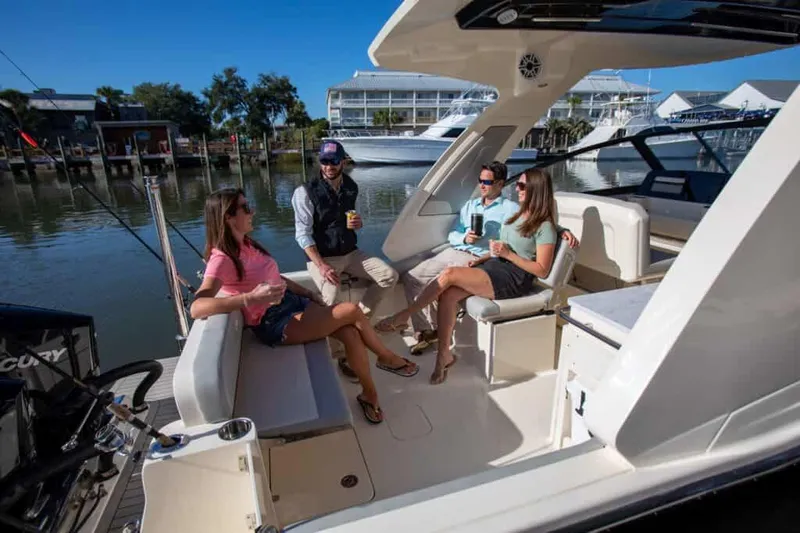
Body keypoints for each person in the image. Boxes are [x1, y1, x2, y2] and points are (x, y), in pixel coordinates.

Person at [190, 188, 419, 425]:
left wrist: (309, 293)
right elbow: (197, 307)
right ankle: (386, 357)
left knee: (350, 332)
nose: (253, 212)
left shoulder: (247, 244)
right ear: (228, 216)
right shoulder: (222, 259)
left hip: (294, 304)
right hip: (275, 322)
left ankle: (369, 394)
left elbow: (277, 277)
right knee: (350, 310)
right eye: (246, 208)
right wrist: (249, 298)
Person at [376, 168, 568, 385]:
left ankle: (402, 317)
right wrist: (483, 258)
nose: (517, 188)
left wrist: (510, 253)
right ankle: (444, 357)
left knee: (449, 274)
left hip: (515, 277)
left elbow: (541, 269)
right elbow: (502, 249)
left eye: (522, 186)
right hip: (496, 265)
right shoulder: (517, 215)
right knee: (447, 295)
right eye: (518, 185)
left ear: (537, 189)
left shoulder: (544, 226)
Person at [292, 139, 399, 317]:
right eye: (324, 161)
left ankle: (360, 317)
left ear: (343, 161)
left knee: (389, 276)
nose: (329, 166)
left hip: (350, 253)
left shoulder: (351, 186)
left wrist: (358, 223)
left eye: (334, 161)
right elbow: (302, 234)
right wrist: (322, 266)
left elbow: (348, 218)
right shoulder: (304, 193)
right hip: (323, 257)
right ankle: (329, 339)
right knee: (331, 296)